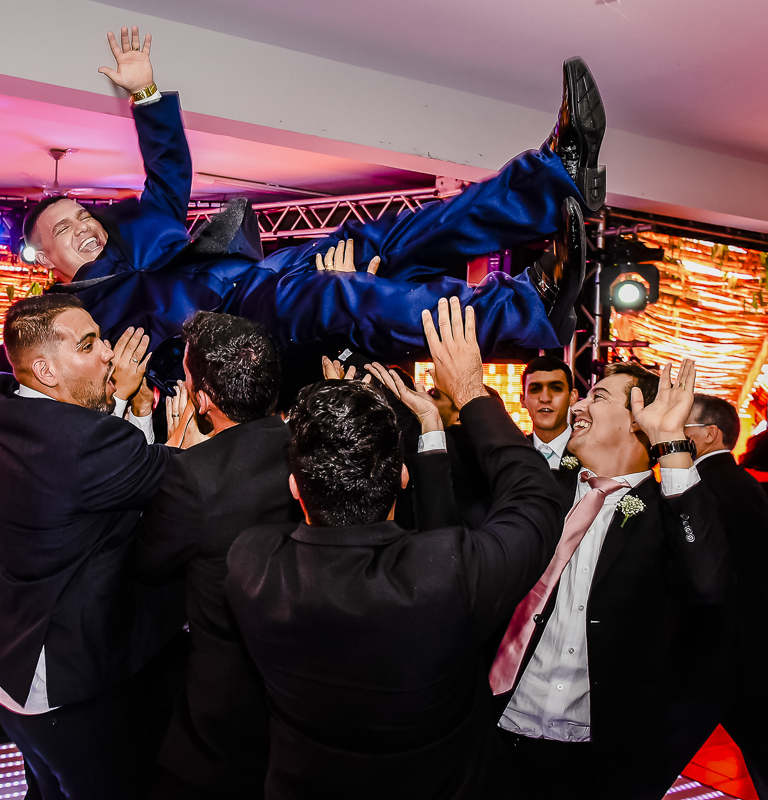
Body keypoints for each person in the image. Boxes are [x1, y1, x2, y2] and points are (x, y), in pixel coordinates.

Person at [0, 27, 608, 373]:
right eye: (64, 229)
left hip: (259, 278)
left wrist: (144, 92)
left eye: (82, 214)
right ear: (43, 260)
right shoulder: (62, 322)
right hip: (231, 336)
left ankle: (556, 179)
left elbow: (168, 170)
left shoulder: (140, 230)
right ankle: (527, 312)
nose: (84, 226)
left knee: (388, 237)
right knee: (341, 296)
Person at [225, 297, 566, 799]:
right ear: (404, 476)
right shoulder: (447, 575)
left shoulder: (251, 562)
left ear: (295, 488)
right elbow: (536, 499)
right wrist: (470, 392)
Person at [0, 295, 190, 799]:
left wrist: (116, 403)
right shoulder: (81, 445)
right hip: (67, 692)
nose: (109, 355)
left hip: (12, 676)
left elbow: (92, 470)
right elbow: (181, 482)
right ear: (44, 369)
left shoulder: (3, 401)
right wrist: (188, 426)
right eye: (89, 345)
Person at [492, 360, 729, 800]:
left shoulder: (670, 510)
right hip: (499, 732)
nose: (578, 405)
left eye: (597, 397)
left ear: (639, 421)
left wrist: (670, 441)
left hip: (601, 756)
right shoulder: (541, 492)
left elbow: (708, 583)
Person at [130, 311, 301, 799]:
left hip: (225, 712)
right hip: (304, 695)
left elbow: (146, 560)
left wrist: (178, 456)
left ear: (201, 399)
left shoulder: (195, 474)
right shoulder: (310, 448)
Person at [673, 394, 768, 799]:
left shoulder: (706, 485)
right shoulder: (739, 481)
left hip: (715, 656)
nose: (676, 433)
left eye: (685, 426)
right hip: (753, 653)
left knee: (642, 764)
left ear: (708, 434)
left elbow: (700, 569)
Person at [521, 354, 578, 468]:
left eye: (556, 388)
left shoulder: (591, 450)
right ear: (523, 400)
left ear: (572, 397)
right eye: (535, 389)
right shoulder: (512, 454)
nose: (545, 398)